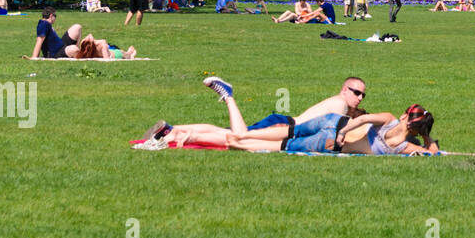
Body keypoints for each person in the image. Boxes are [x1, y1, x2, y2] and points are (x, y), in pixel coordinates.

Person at [143, 76, 368, 149]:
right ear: (344, 89)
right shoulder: (340, 105)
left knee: (227, 133)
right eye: (356, 92)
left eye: (362, 95)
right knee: (234, 136)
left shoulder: (340, 104)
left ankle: (173, 130)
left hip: (284, 125)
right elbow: (338, 131)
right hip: (283, 128)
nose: (358, 98)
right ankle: (228, 96)